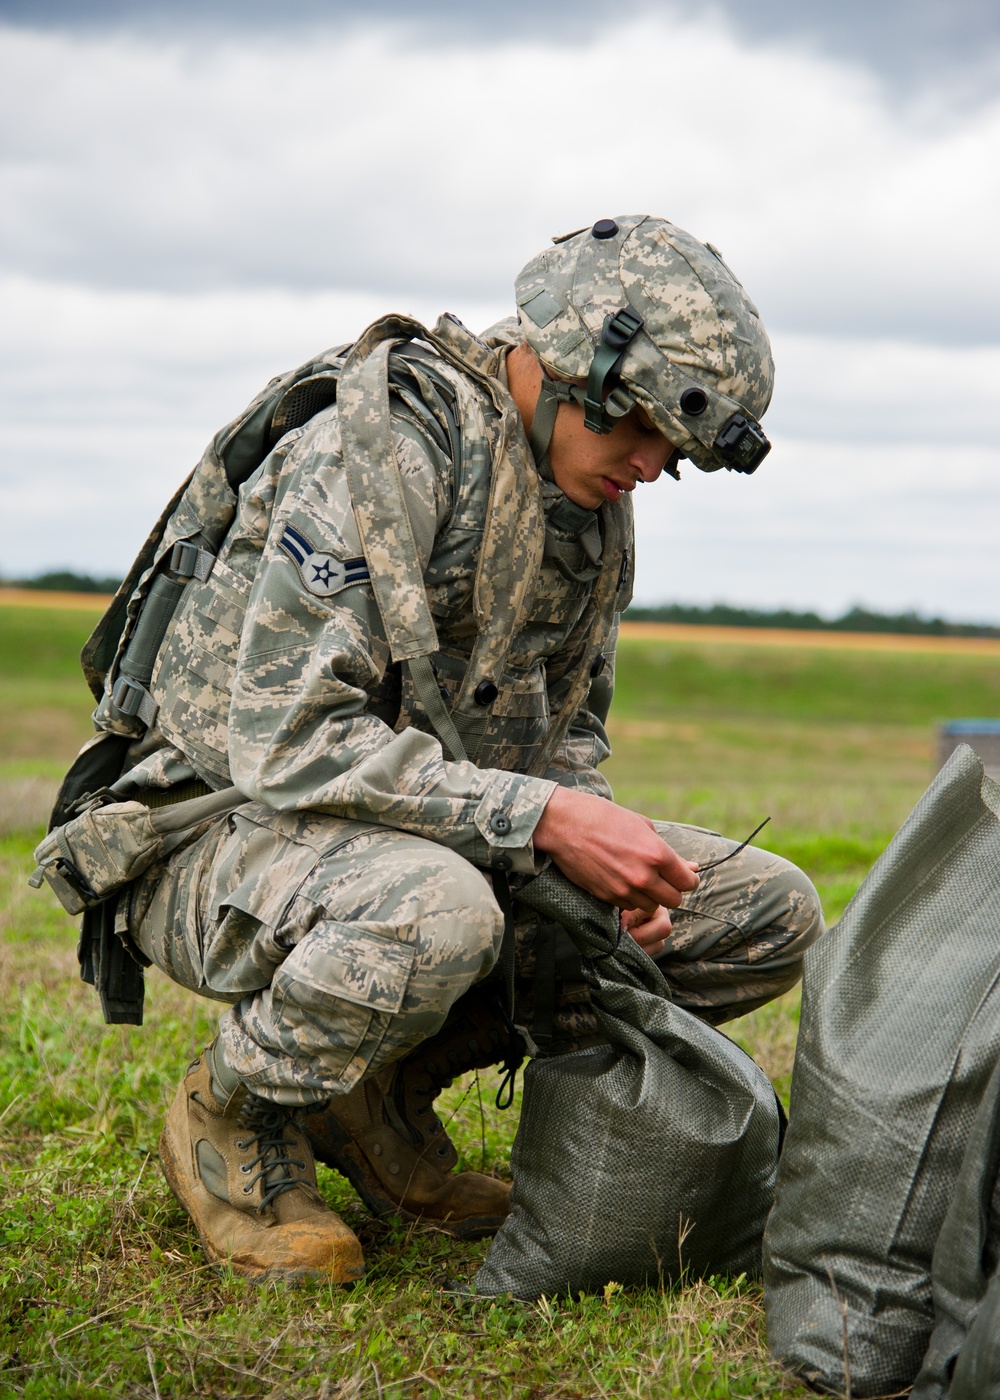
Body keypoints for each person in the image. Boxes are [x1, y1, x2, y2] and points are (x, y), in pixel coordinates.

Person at [56, 215, 824, 1282]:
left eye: (672, 448)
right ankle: (232, 1109)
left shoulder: (586, 501)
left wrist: (589, 841)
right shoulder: (386, 451)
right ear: (570, 369)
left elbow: (565, 731)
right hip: (213, 832)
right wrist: (545, 822)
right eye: (641, 429)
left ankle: (377, 1096)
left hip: (412, 837)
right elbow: (288, 742)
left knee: (755, 908)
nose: (652, 466)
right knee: (434, 911)